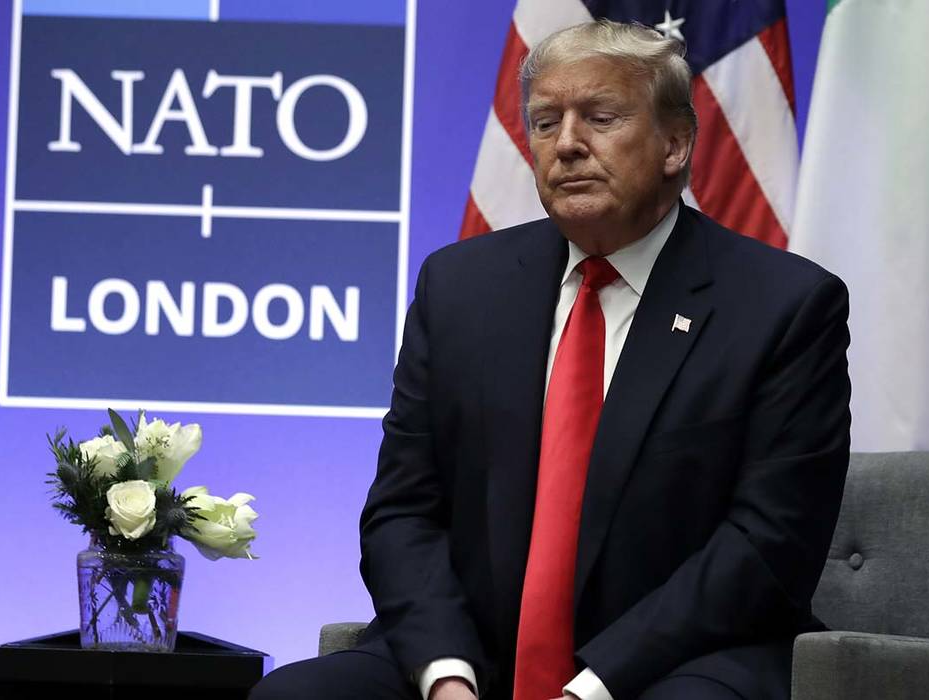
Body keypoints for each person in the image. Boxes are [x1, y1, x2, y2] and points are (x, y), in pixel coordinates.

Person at [251, 19, 850, 700]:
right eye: (544, 122)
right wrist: (447, 674)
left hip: (679, 660)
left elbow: (768, 546)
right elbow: (401, 513)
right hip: (476, 659)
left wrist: (589, 688)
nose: (567, 144)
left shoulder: (784, 307)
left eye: (600, 117)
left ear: (676, 143)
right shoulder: (460, 288)